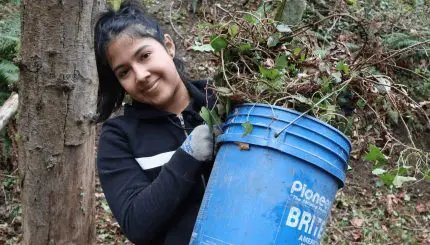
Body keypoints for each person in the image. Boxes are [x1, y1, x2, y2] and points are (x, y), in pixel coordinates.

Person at [93, 1, 216, 244]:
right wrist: (188, 156)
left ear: (168, 46)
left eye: (145, 55)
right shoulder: (119, 138)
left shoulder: (222, 101)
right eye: (124, 72)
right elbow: (137, 224)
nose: (141, 75)